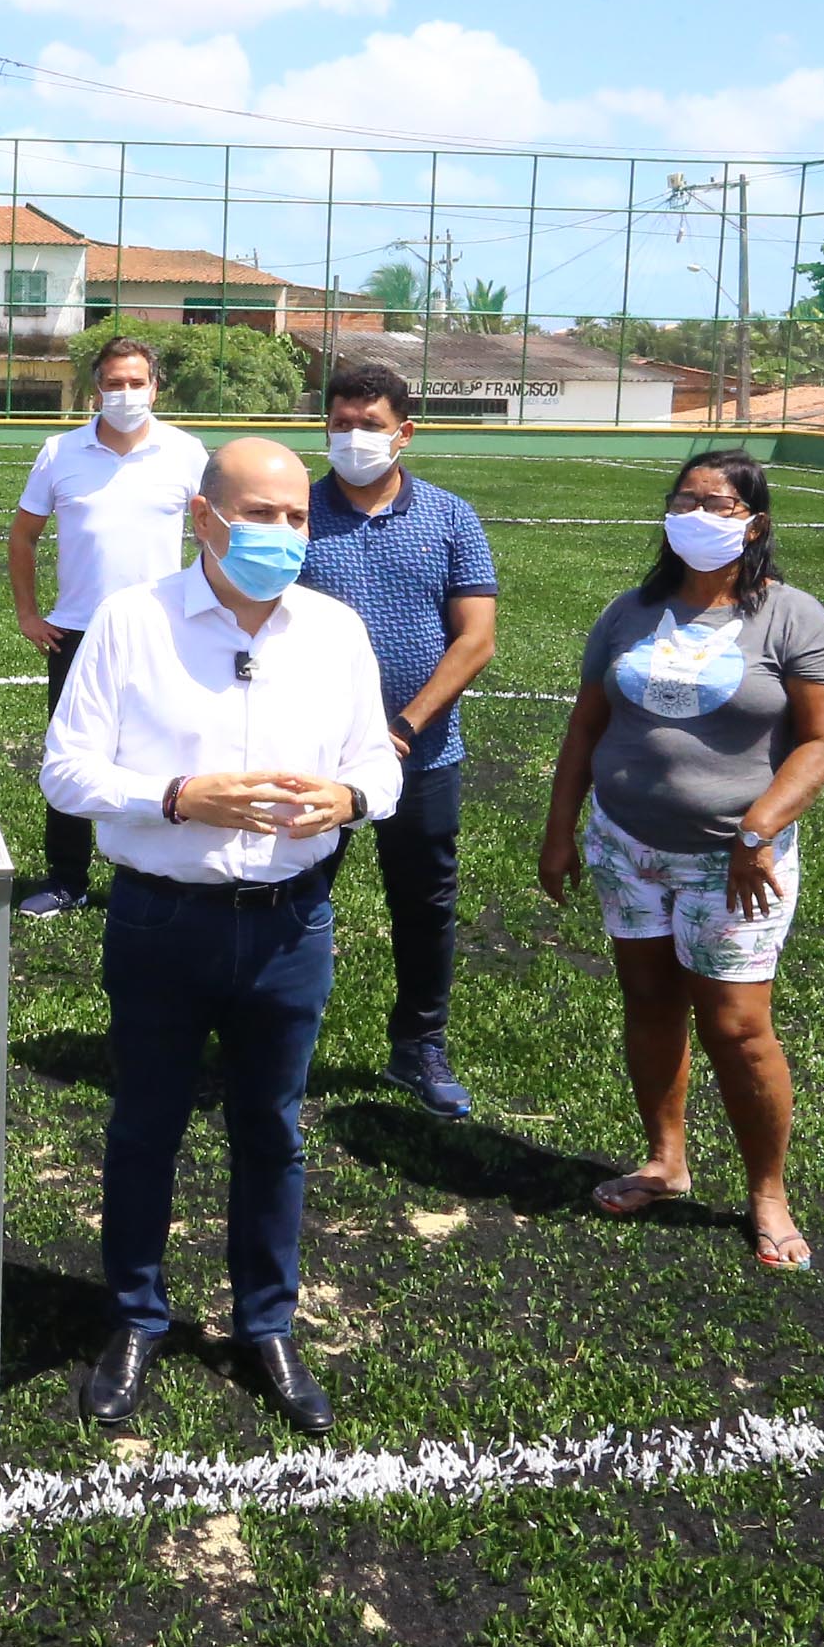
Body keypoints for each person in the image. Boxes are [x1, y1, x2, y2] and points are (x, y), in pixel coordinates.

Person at [41, 436, 399, 1436]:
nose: (284, 533)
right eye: (261, 515)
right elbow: (65, 774)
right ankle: (136, 1317)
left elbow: (381, 761)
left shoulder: (332, 630)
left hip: (291, 923)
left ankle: (265, 1323)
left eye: (296, 518)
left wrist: (353, 796)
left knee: (273, 1132)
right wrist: (176, 795)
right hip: (161, 917)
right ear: (205, 518)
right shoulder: (132, 622)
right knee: (144, 1126)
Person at [536, 447, 824, 1274]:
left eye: (718, 505)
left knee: (739, 1030)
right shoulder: (629, 612)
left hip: (733, 862)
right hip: (625, 845)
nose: (698, 516)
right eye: (685, 501)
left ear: (755, 523)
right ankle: (665, 1160)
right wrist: (561, 826)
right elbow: (585, 726)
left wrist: (759, 829)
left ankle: (767, 1194)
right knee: (648, 1000)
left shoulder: (794, 618)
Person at [297, 363, 501, 1121]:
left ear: (405, 432)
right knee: (295, 892)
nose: (354, 438)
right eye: (341, 423)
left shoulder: (451, 517)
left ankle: (419, 1047)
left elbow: (474, 640)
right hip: (313, 752)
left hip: (423, 754)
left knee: (423, 903)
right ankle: (281, 1037)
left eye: (370, 425)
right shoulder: (295, 512)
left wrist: (404, 727)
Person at [10, 335, 210, 918]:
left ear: (155, 387)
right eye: (113, 383)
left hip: (160, 630)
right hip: (76, 633)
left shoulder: (185, 452)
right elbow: (24, 535)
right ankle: (67, 878)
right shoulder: (59, 451)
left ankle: (152, 872)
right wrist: (28, 612)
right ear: (95, 390)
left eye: (135, 383)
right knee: (70, 755)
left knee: (156, 751)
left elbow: (210, 535)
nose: (124, 394)